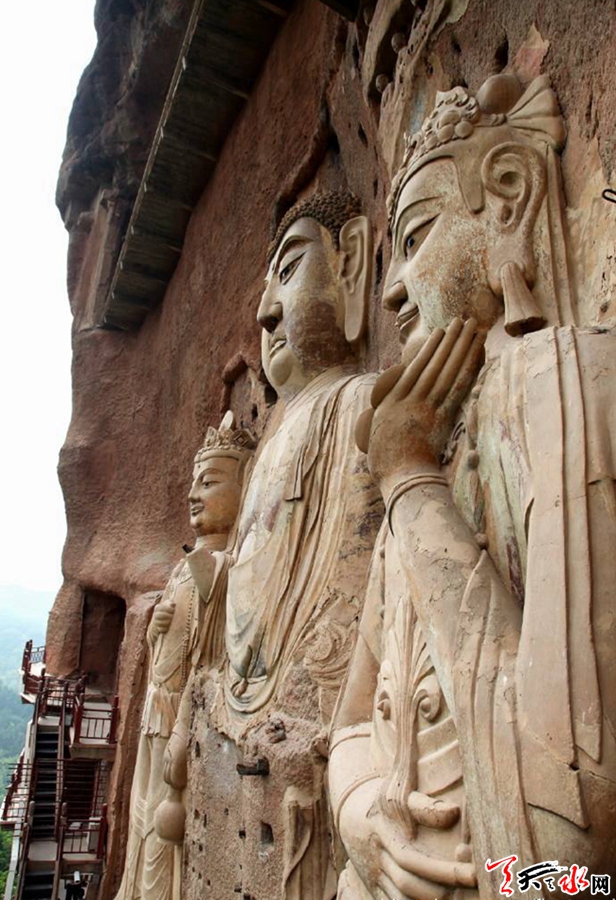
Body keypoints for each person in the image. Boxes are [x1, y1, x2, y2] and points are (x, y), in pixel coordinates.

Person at [330, 74, 616, 899]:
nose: (391, 291)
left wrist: (409, 480)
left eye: (416, 237)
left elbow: (567, 856)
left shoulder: (570, 385)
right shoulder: (419, 456)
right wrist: (362, 819)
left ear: (508, 198)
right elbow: (351, 723)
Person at [196, 192, 383, 900]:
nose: (266, 312)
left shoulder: (359, 402)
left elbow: (354, 581)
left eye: (291, 270)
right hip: (237, 707)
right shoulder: (272, 439)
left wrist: (307, 702)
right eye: (264, 291)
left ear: (352, 264)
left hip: (305, 725)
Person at [114, 413, 255, 900]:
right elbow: (168, 649)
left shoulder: (231, 564)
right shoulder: (184, 567)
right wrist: (157, 632)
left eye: (209, 482)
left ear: (246, 484)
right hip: (156, 713)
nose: (194, 496)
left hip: (185, 717)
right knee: (142, 819)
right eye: (194, 484)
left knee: (167, 833)